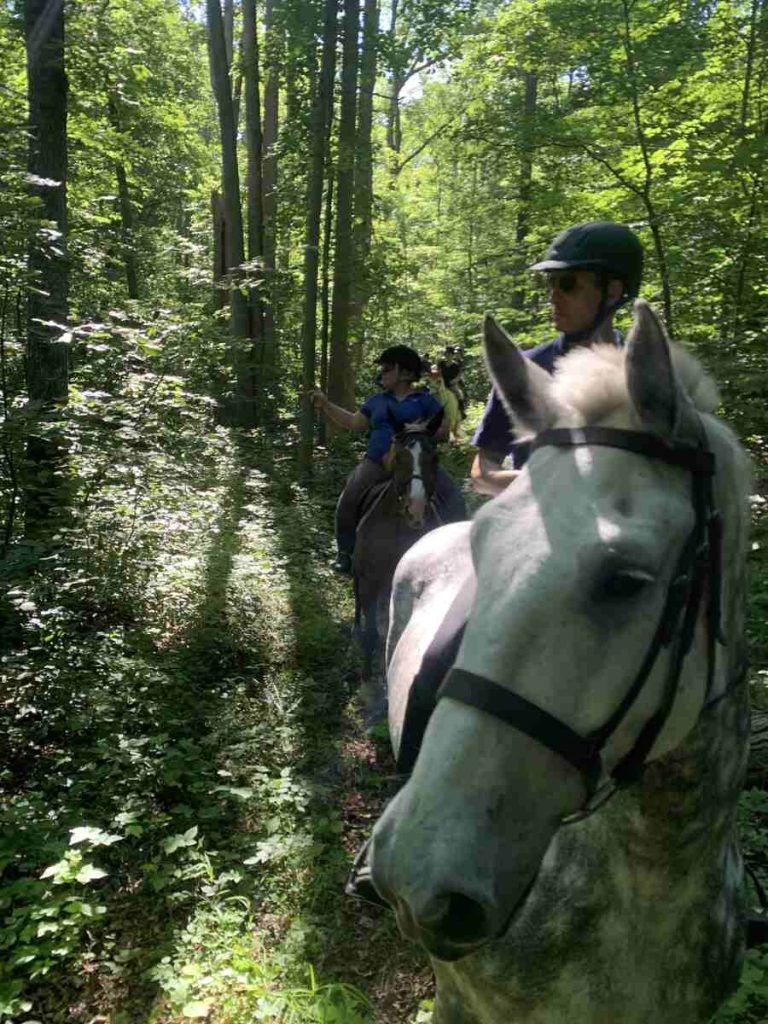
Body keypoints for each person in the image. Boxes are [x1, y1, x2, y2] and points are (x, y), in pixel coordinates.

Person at [471, 221, 644, 496]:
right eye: (551, 283)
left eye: (568, 284)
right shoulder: (526, 368)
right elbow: (481, 473)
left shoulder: (644, 376)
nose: (553, 296)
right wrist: (549, 484)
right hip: (534, 524)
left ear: (612, 290)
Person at [312, 344, 465, 575]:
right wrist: (325, 405)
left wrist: (420, 430)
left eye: (386, 369)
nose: (381, 374)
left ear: (404, 372)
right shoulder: (376, 401)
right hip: (377, 464)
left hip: (418, 464)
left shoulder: (425, 401)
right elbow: (354, 422)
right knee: (348, 499)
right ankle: (346, 553)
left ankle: (460, 555)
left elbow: (444, 432)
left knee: (453, 497)